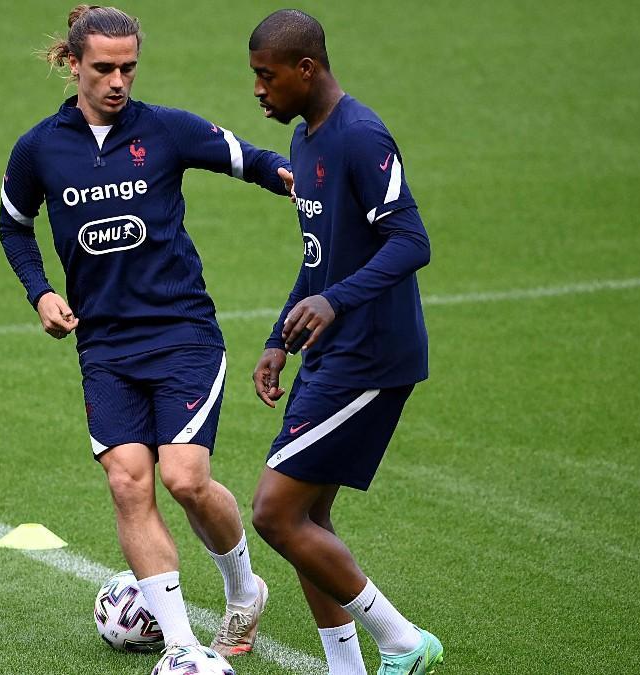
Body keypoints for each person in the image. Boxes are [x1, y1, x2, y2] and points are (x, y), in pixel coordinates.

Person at [0, 4, 295, 658]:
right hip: (104, 347)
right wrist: (41, 291)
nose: (117, 81)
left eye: (128, 67)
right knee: (128, 480)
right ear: (73, 64)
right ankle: (182, 646)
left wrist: (310, 185)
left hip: (182, 332)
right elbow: (13, 225)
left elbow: (253, 160)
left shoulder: (165, 131)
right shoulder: (39, 148)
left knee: (184, 477)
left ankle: (244, 590)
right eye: (103, 67)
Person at [246, 9, 445, 675]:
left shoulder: (361, 135)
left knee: (275, 513)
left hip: (372, 354)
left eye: (266, 76)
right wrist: (281, 336)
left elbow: (412, 240)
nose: (258, 90)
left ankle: (402, 642)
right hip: (333, 350)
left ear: (306, 69)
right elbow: (318, 257)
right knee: (305, 522)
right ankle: (346, 667)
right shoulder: (304, 142)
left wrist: (336, 301)